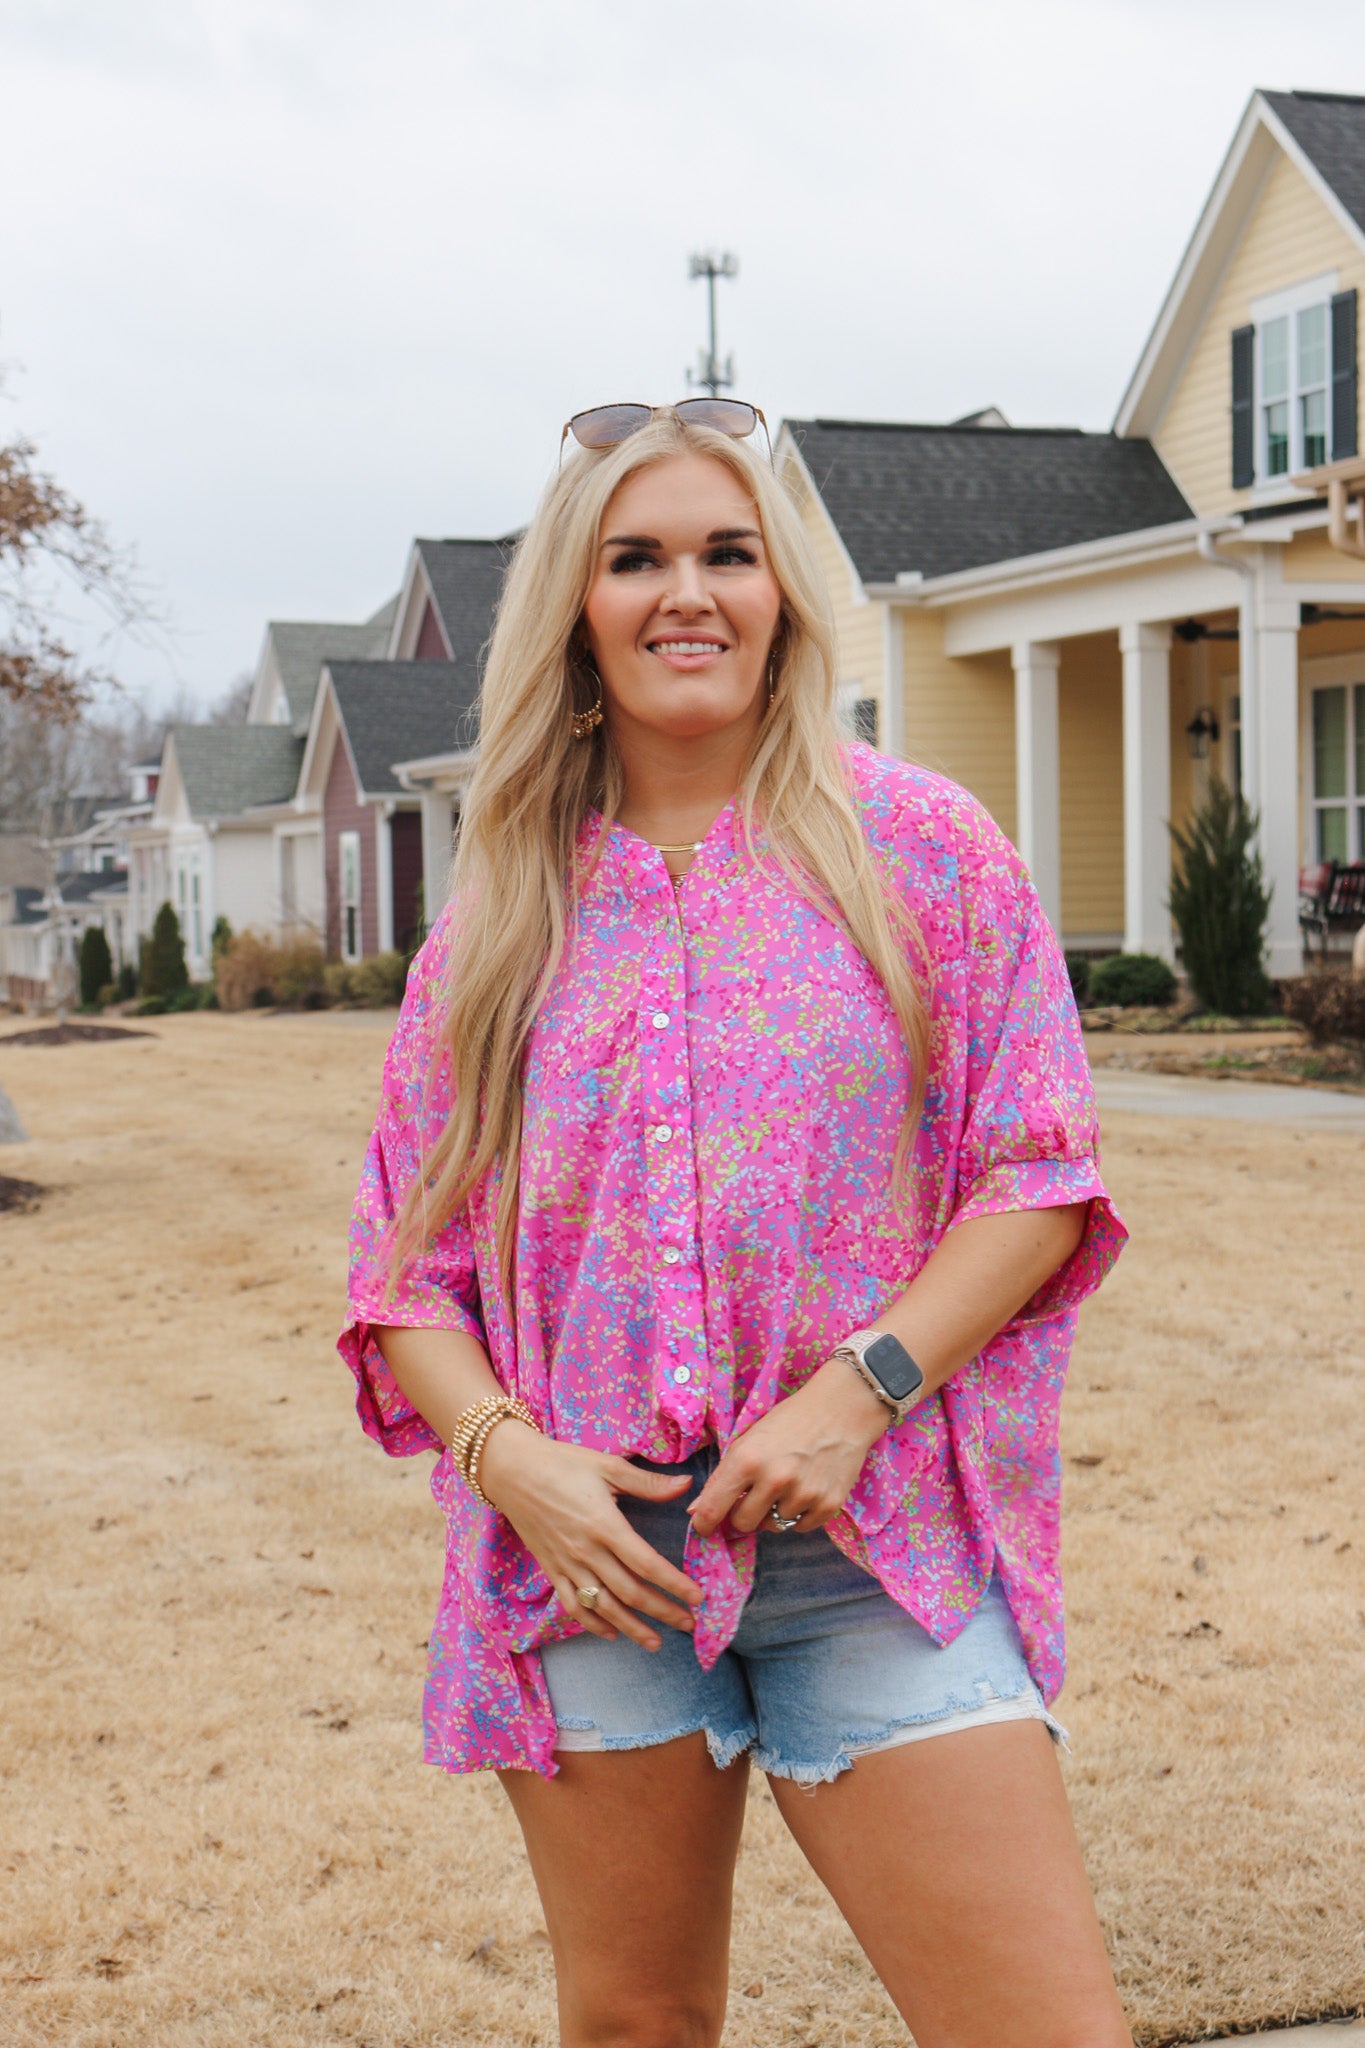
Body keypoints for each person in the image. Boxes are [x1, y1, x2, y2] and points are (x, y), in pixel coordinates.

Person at [339, 399, 1132, 2048]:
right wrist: (511, 1464)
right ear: (577, 607)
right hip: (597, 1566)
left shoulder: (920, 851)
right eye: (636, 558)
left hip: (872, 1546)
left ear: (782, 595)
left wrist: (858, 1396)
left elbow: (1037, 1178)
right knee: (635, 2024)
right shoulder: (499, 917)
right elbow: (407, 1273)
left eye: (727, 553)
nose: (685, 593)